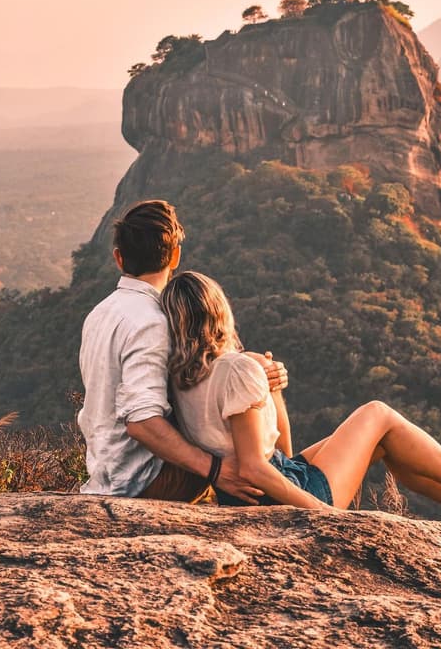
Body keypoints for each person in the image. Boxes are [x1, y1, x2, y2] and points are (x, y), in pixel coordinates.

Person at [160, 271, 441, 541]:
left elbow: (280, 452)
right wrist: (325, 516)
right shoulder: (236, 369)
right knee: (377, 412)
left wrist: (272, 389)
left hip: (257, 491)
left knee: (383, 442)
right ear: (219, 312)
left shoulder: (182, 378)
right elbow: (255, 467)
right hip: (280, 494)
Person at [78, 199, 287, 503]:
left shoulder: (100, 313)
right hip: (146, 481)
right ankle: (291, 487)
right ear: (175, 255)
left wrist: (250, 363)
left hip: (106, 475)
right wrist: (215, 469)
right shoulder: (153, 321)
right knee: (242, 441)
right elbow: (141, 421)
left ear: (119, 259)